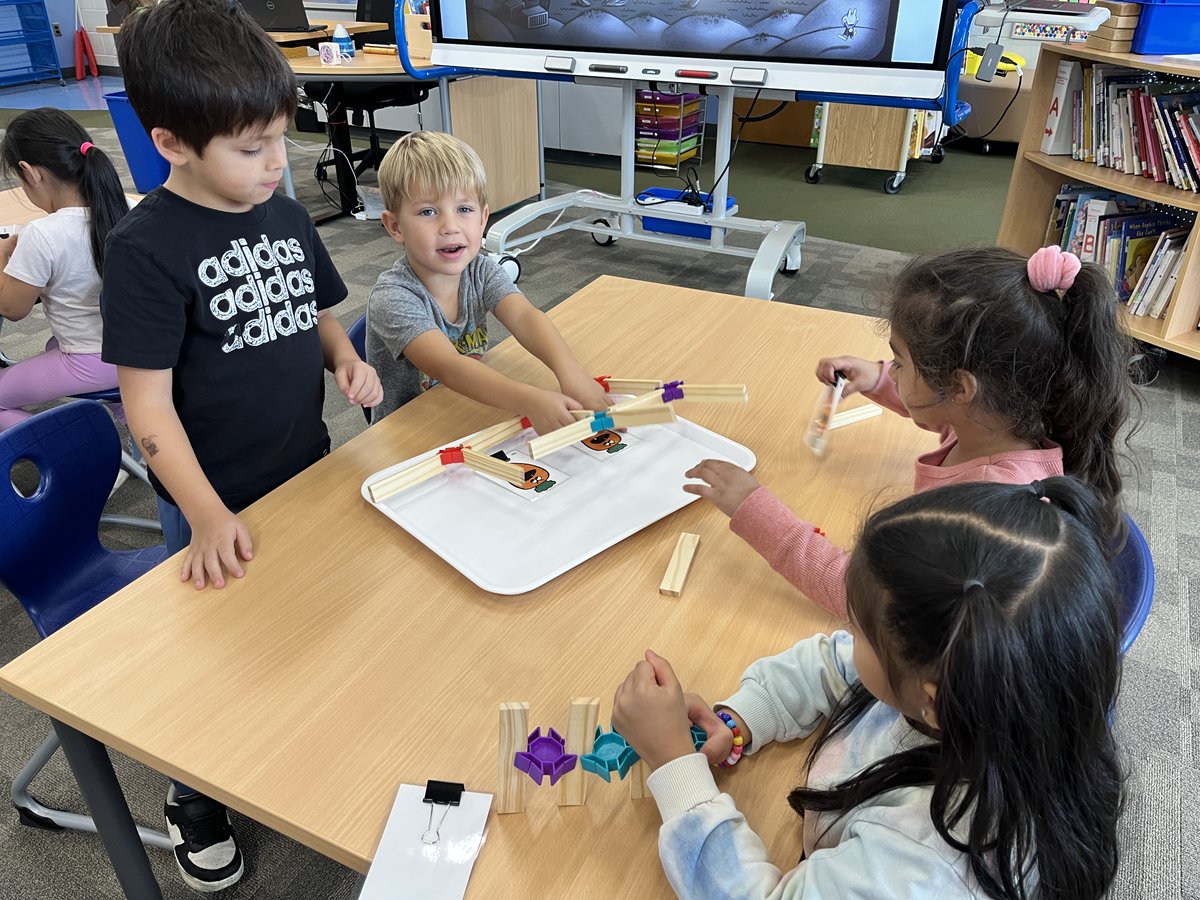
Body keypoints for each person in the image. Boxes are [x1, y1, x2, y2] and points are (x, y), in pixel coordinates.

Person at [100, 0, 381, 890]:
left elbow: (316, 312)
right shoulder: (146, 249)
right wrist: (205, 514)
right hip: (209, 499)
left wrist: (344, 359)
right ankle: (194, 795)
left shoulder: (284, 216)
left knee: (306, 620)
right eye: (251, 147)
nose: (274, 164)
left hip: (303, 468)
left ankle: (291, 736)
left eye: (279, 140)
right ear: (171, 143)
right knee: (216, 659)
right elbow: (146, 409)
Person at [612, 477, 1125, 900]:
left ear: (932, 701)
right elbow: (832, 665)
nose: (845, 636)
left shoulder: (918, 866)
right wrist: (743, 717)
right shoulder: (992, 684)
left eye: (858, 630)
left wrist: (676, 768)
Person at [684, 246, 1138, 619]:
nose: (894, 369)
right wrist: (877, 378)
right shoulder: (1010, 421)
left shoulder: (987, 513)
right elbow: (946, 414)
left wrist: (757, 511)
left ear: (960, 386)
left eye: (899, 362)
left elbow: (866, 598)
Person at [366, 130, 608, 431]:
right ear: (395, 226)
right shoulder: (392, 297)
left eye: (464, 209)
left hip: (464, 408)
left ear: (483, 218)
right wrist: (530, 400)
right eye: (428, 212)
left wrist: (570, 371)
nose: (450, 226)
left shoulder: (480, 269)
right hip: (409, 432)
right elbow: (449, 366)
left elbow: (524, 316)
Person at [0, 108, 128, 431]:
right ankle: (130, 411)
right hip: (144, 349)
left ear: (30, 173)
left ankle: (71, 449)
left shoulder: (42, 234)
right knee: (52, 346)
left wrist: (2, 256)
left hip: (94, 360)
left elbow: (12, 309)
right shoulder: (126, 207)